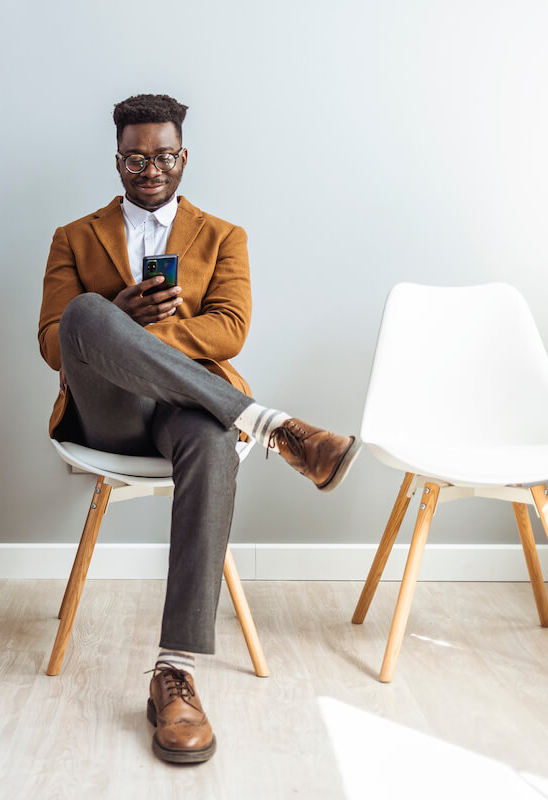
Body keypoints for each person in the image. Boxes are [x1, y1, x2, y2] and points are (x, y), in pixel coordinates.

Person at [36, 93, 360, 765]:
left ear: (183, 156)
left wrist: (145, 338)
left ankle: (174, 675)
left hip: (189, 412)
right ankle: (273, 426)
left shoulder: (222, 236)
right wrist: (117, 317)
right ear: (117, 160)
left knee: (213, 439)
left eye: (164, 156)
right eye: (135, 158)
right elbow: (52, 341)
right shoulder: (74, 236)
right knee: (86, 314)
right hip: (111, 416)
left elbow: (230, 329)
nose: (150, 169)